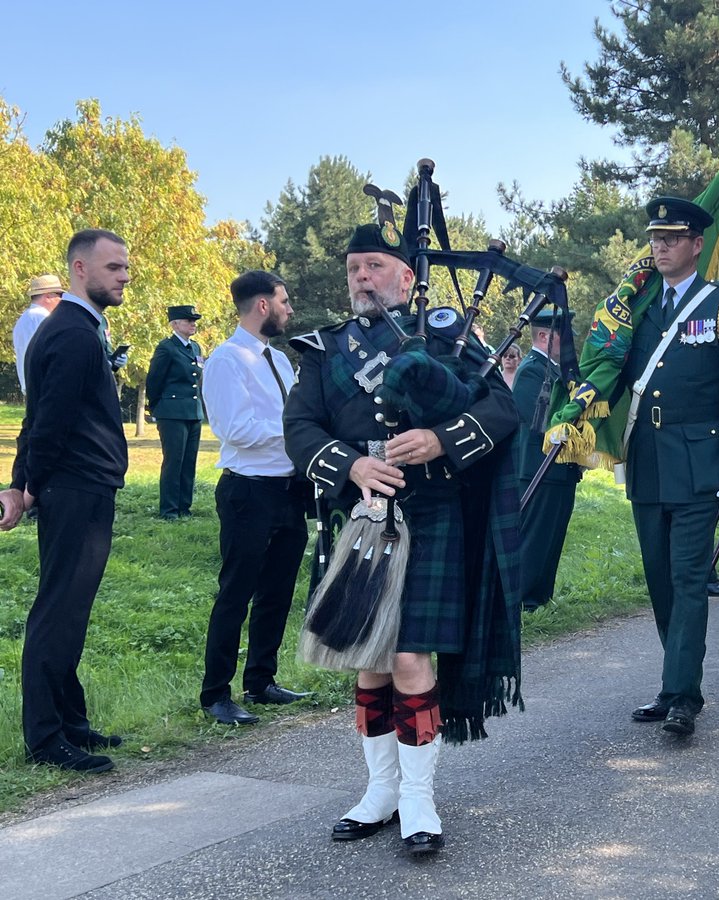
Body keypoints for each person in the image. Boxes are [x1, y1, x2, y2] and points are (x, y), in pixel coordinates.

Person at [283, 222, 520, 855]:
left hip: (433, 509)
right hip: (362, 514)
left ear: (407, 277)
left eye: (375, 267)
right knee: (369, 658)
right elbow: (300, 429)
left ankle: (418, 800)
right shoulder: (325, 350)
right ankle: (379, 791)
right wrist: (349, 465)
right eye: (354, 267)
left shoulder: (449, 336)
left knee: (412, 659)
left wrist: (444, 438)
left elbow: (501, 407)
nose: (362, 277)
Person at [625, 196, 719, 736]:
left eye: (672, 238)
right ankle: (672, 682)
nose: (660, 246)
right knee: (659, 579)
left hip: (700, 461)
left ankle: (684, 694)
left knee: (686, 579)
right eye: (655, 238)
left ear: (696, 244)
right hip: (647, 462)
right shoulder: (635, 305)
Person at [2, 229, 130, 773]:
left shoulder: (77, 328)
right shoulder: (73, 333)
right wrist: (27, 487)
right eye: (114, 267)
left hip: (81, 485)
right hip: (74, 488)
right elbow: (47, 421)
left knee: (69, 612)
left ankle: (70, 721)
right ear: (80, 268)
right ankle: (46, 737)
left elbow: (39, 417)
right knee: (58, 611)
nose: (124, 275)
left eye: (125, 267)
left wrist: (18, 482)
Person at [198, 272, 311, 726]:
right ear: (262, 305)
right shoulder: (227, 360)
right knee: (236, 591)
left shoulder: (281, 361)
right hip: (248, 490)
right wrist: (296, 438)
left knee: (277, 590)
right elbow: (234, 429)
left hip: (288, 489)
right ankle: (216, 694)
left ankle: (261, 679)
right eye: (284, 301)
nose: (289, 309)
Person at [513, 310, 581, 611]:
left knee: (552, 536)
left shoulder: (554, 370)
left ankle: (541, 595)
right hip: (539, 469)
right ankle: (525, 599)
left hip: (559, 469)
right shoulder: (532, 369)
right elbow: (539, 420)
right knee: (535, 538)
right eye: (563, 336)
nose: (568, 344)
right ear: (545, 336)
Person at [146, 305, 205, 519]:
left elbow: (197, 378)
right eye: (188, 320)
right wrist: (157, 407)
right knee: (174, 461)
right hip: (172, 412)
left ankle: (184, 507)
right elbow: (154, 380)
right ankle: (169, 509)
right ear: (175, 324)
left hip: (193, 411)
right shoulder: (167, 348)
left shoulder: (196, 348)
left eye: (194, 321)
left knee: (189, 461)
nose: (193, 324)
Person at [13, 274, 64, 395]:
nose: (61, 300)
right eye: (59, 295)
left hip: (32, 386)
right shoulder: (43, 318)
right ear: (48, 296)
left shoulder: (23, 319)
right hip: (46, 387)